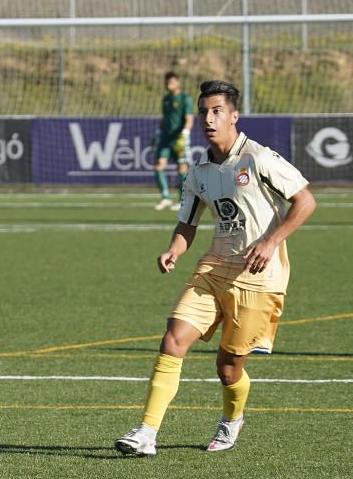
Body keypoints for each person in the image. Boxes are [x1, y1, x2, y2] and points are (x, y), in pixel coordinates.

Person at [114, 80, 316, 457]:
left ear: (234, 116)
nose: (209, 118)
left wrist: (271, 242)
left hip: (259, 276)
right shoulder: (199, 169)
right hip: (213, 267)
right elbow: (187, 222)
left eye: (217, 111)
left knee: (228, 369)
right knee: (173, 339)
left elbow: (305, 201)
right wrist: (174, 249)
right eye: (204, 111)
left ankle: (232, 418)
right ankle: (146, 432)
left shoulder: (258, 158)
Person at [153, 72, 195, 210]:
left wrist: (185, 133)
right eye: (166, 82)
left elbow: (189, 118)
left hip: (178, 139)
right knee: (159, 165)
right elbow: (165, 118)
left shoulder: (185, 98)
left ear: (178, 82)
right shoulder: (166, 99)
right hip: (166, 138)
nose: (168, 84)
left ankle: (182, 200)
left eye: (171, 82)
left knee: (182, 168)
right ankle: (165, 198)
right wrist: (158, 132)